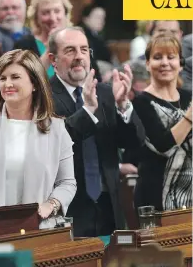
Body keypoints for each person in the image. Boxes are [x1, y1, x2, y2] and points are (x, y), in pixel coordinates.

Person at [0, 49, 77, 228]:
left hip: (41, 229)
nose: (7, 84)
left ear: (35, 83)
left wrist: (51, 204)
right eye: (2, 78)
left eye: (15, 77)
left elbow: (67, 182)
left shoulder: (56, 128)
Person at [48, 27, 145, 237]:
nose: (79, 57)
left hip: (109, 202)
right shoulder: (43, 96)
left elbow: (134, 140)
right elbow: (55, 143)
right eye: (70, 50)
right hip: (68, 207)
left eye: (84, 50)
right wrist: (87, 111)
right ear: (53, 59)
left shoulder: (105, 92)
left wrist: (123, 105)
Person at [133, 33, 192, 212]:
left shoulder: (188, 97)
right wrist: (189, 117)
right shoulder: (140, 103)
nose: (165, 63)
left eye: (171, 57)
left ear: (180, 64)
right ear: (148, 64)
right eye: (158, 57)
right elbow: (162, 146)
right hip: (156, 197)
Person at [14, 0, 72, 79]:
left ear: (65, 13)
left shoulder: (79, 40)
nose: (53, 18)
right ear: (36, 17)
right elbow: (25, 80)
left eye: (57, 11)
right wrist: (50, 49)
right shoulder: (24, 44)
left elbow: (95, 78)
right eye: (46, 13)